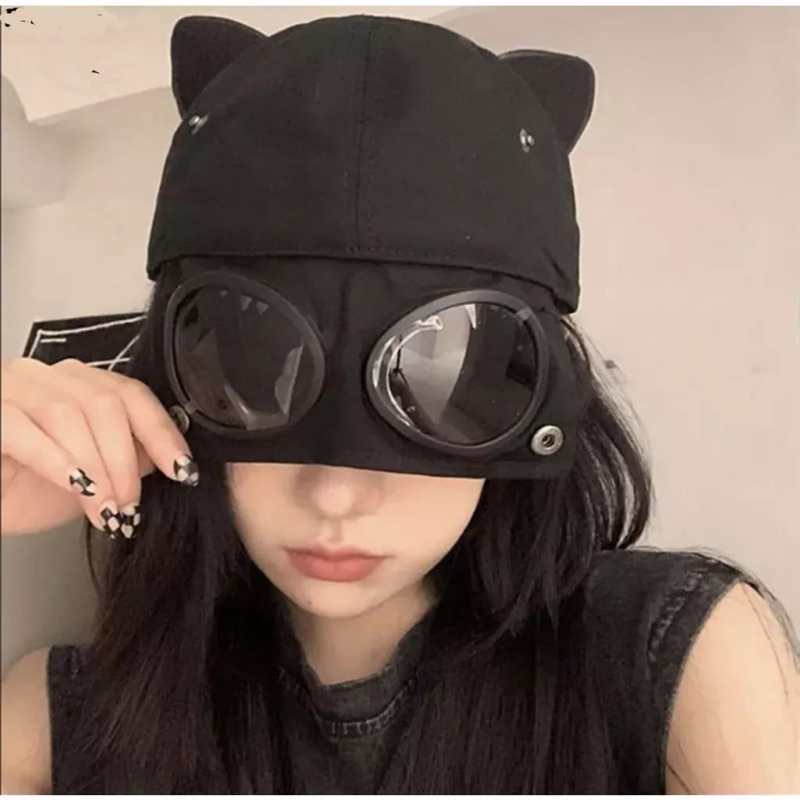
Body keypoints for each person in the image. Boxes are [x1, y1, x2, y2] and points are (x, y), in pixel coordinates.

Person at [1, 13, 798, 795]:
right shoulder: (65, 720)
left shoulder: (672, 662)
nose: (337, 495)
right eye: (252, 374)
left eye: (449, 393)